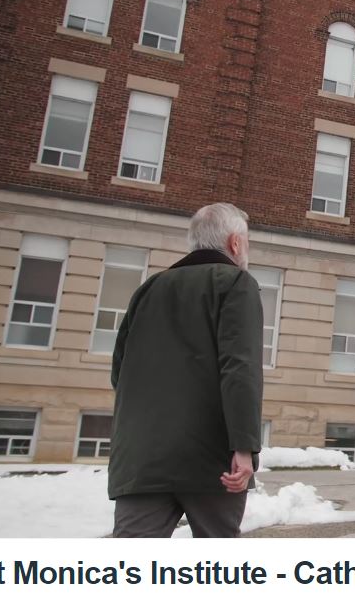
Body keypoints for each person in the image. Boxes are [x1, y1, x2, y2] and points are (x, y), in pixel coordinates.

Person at [108, 203, 263, 537]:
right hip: (211, 460)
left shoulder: (148, 289)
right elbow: (240, 368)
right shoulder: (236, 282)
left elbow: (119, 372)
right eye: (247, 242)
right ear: (235, 243)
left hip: (141, 461)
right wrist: (244, 447)